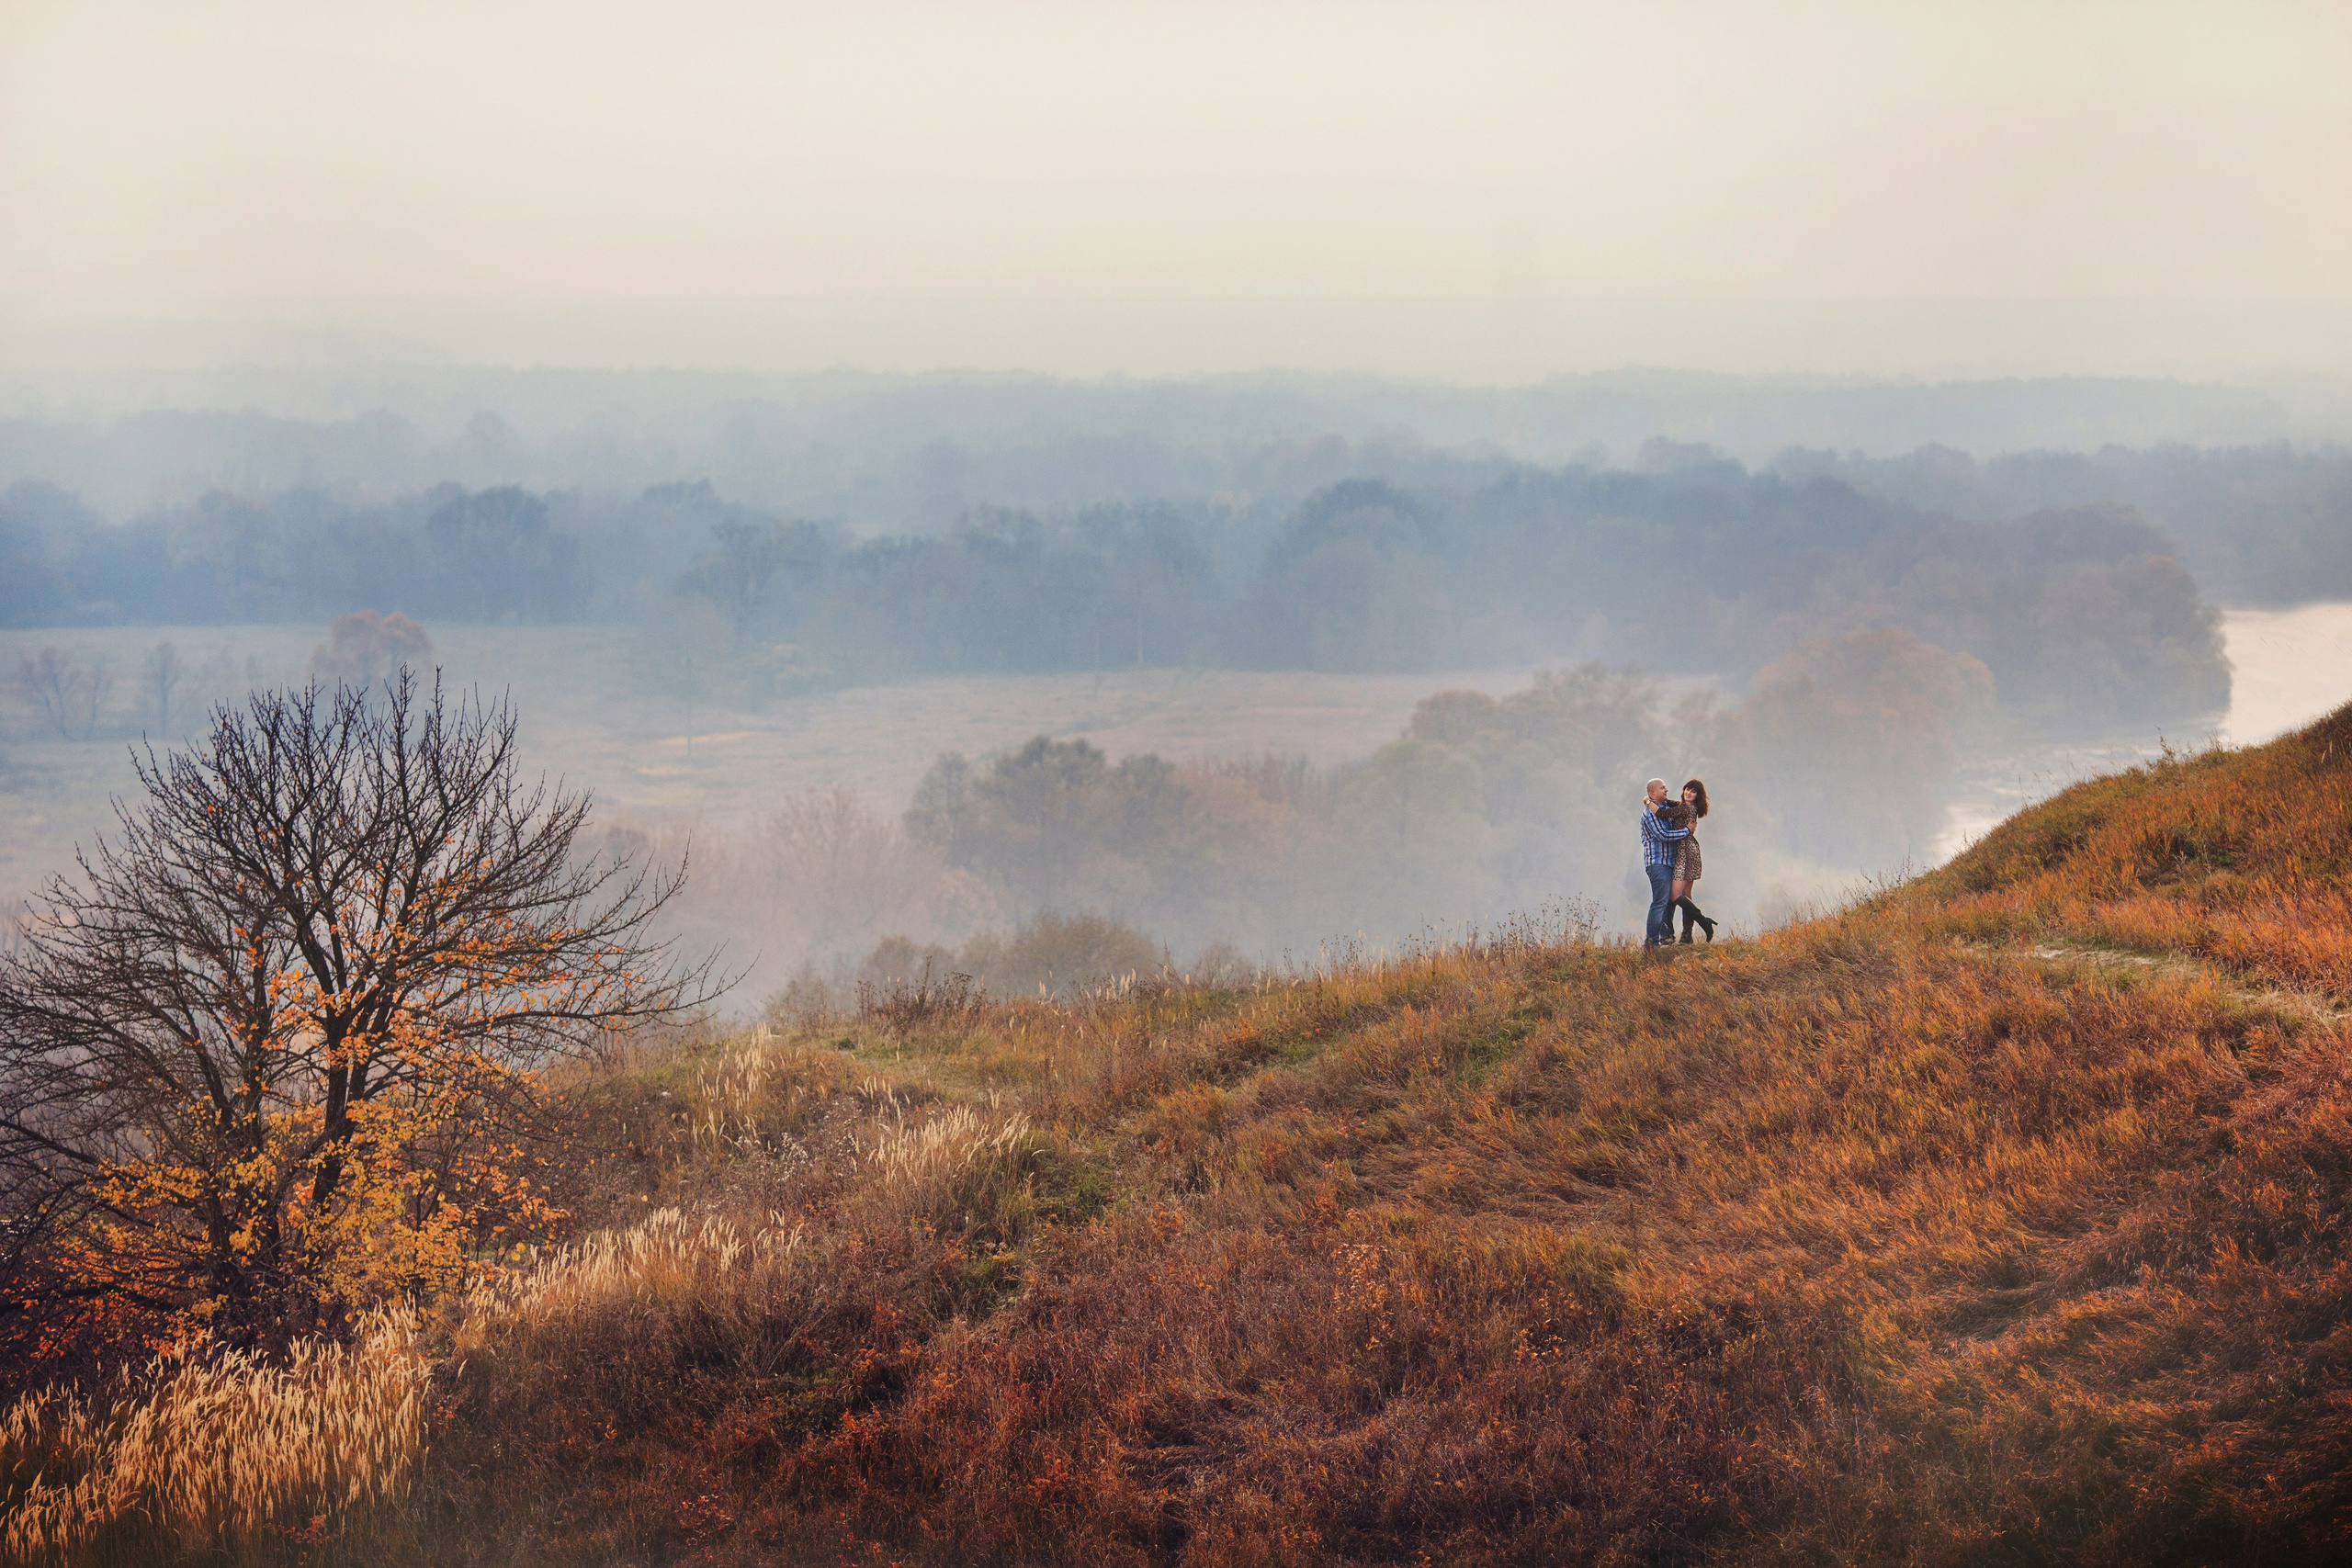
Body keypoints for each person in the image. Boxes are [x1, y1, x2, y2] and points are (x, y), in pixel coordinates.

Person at [1638, 777, 1690, 948]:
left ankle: (1666, 938)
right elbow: (1663, 835)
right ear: (1652, 793)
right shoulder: (1649, 814)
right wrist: (1687, 831)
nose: (1666, 790)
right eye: (1662, 788)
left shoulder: (1667, 809)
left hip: (1670, 862)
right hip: (1657, 863)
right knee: (1660, 902)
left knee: (1670, 902)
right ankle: (1651, 943)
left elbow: (1683, 807)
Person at [1664, 778, 1716, 942]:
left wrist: (1648, 801)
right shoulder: (1684, 806)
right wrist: (1662, 799)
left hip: (1686, 854)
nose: (1688, 793)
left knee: (1674, 895)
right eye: (1687, 789)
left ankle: (1704, 922)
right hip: (1687, 852)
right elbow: (1673, 804)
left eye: (1693, 791)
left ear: (1697, 796)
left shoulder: (1687, 809)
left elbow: (1662, 813)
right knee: (1686, 895)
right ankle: (1687, 936)